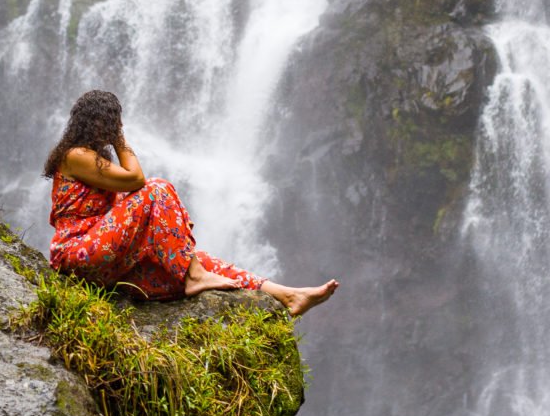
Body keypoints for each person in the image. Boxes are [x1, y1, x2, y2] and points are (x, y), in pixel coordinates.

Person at [44, 90, 338, 317]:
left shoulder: (96, 162)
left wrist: (173, 237)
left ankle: (286, 294)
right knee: (157, 189)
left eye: (112, 123)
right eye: (107, 122)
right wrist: (120, 139)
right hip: (76, 255)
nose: (108, 129)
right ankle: (196, 276)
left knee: (191, 260)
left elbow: (126, 209)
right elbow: (137, 180)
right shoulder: (74, 155)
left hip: (102, 261)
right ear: (90, 122)